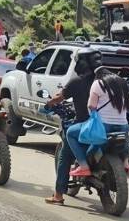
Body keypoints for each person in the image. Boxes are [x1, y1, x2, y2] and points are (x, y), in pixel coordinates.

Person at [43, 48, 102, 205]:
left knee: (64, 156)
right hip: (107, 125)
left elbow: (59, 97)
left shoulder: (77, 82)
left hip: (85, 125)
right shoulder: (105, 81)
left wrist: (49, 103)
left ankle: (58, 195)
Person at [65, 68, 129, 178]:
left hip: (103, 126)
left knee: (70, 133)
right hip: (123, 126)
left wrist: (92, 114)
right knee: (124, 139)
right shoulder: (123, 84)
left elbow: (91, 105)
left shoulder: (98, 83)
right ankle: (126, 163)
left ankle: (83, 166)